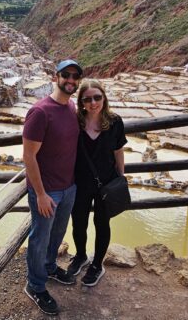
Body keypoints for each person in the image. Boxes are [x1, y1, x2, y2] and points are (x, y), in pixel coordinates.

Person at [22, 59, 82, 315]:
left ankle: (48, 267)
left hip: (68, 187)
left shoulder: (71, 107)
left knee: (57, 233)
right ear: (55, 76)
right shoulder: (40, 112)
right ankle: (35, 285)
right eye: (66, 75)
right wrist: (40, 194)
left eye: (75, 76)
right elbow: (29, 156)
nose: (71, 80)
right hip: (47, 192)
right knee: (39, 238)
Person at [64, 80, 126, 287]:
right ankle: (81, 256)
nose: (93, 103)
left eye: (97, 97)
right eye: (88, 99)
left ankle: (97, 264)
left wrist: (121, 178)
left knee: (102, 223)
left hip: (106, 183)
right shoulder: (74, 122)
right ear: (81, 102)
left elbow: (118, 151)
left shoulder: (115, 122)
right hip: (80, 182)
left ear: (104, 98)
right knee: (79, 221)